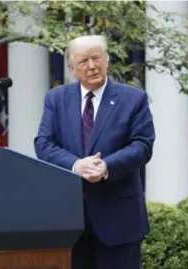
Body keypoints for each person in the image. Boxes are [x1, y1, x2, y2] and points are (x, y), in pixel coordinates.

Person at [34, 35, 155, 269]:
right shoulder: (56, 98)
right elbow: (44, 144)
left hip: (119, 221)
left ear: (107, 60)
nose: (92, 66)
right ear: (71, 68)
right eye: (83, 61)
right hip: (69, 221)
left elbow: (142, 145)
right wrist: (76, 165)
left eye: (96, 58)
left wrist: (106, 166)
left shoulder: (133, 98)